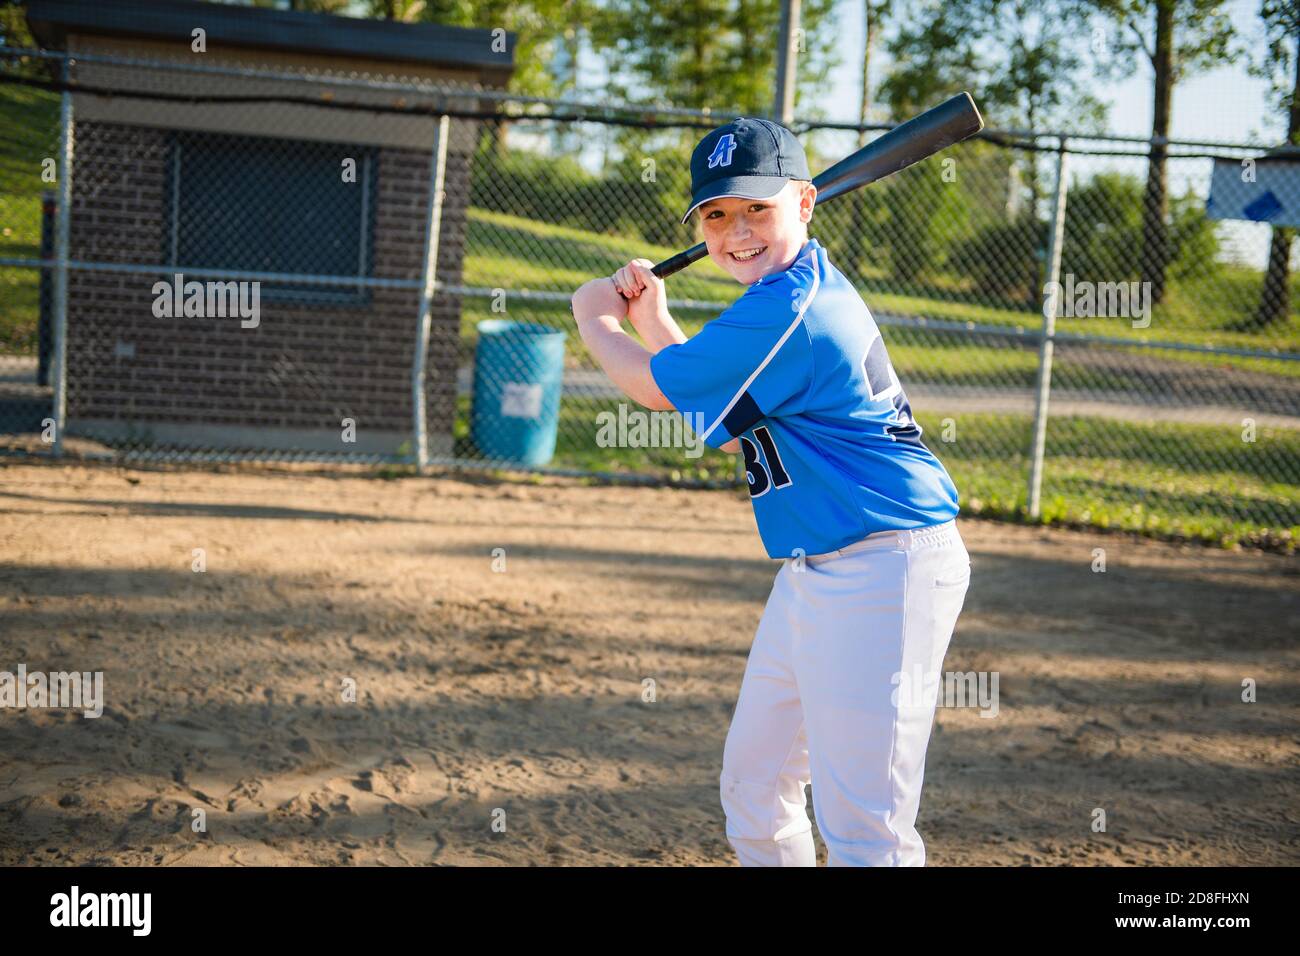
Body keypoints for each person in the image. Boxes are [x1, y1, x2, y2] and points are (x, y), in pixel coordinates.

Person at [569, 117, 971, 866]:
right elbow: (718, 393)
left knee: (865, 827)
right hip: (819, 565)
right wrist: (654, 320)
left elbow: (657, 390)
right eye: (716, 215)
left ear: (807, 203)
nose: (735, 230)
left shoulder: (793, 307)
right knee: (756, 788)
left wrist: (593, 317)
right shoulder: (781, 296)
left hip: (887, 569)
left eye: (759, 207)